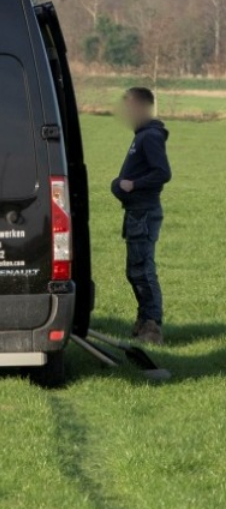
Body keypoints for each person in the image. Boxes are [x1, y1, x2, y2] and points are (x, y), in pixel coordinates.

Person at [113, 86, 172, 343]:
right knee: (134, 270)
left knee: (142, 270)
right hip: (135, 212)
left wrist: (133, 185)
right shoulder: (142, 136)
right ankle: (143, 321)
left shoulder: (149, 137)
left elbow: (163, 172)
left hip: (143, 212)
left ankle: (152, 327)